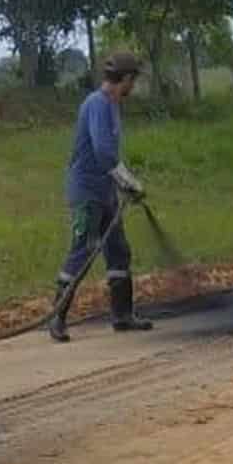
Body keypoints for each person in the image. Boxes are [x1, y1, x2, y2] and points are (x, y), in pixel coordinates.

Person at [48, 51, 153, 342]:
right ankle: (57, 317)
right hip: (86, 192)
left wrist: (120, 186)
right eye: (134, 81)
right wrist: (129, 182)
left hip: (105, 191)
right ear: (127, 79)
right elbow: (104, 152)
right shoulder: (97, 104)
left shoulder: (111, 104)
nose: (133, 87)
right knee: (82, 249)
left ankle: (122, 316)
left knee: (118, 250)